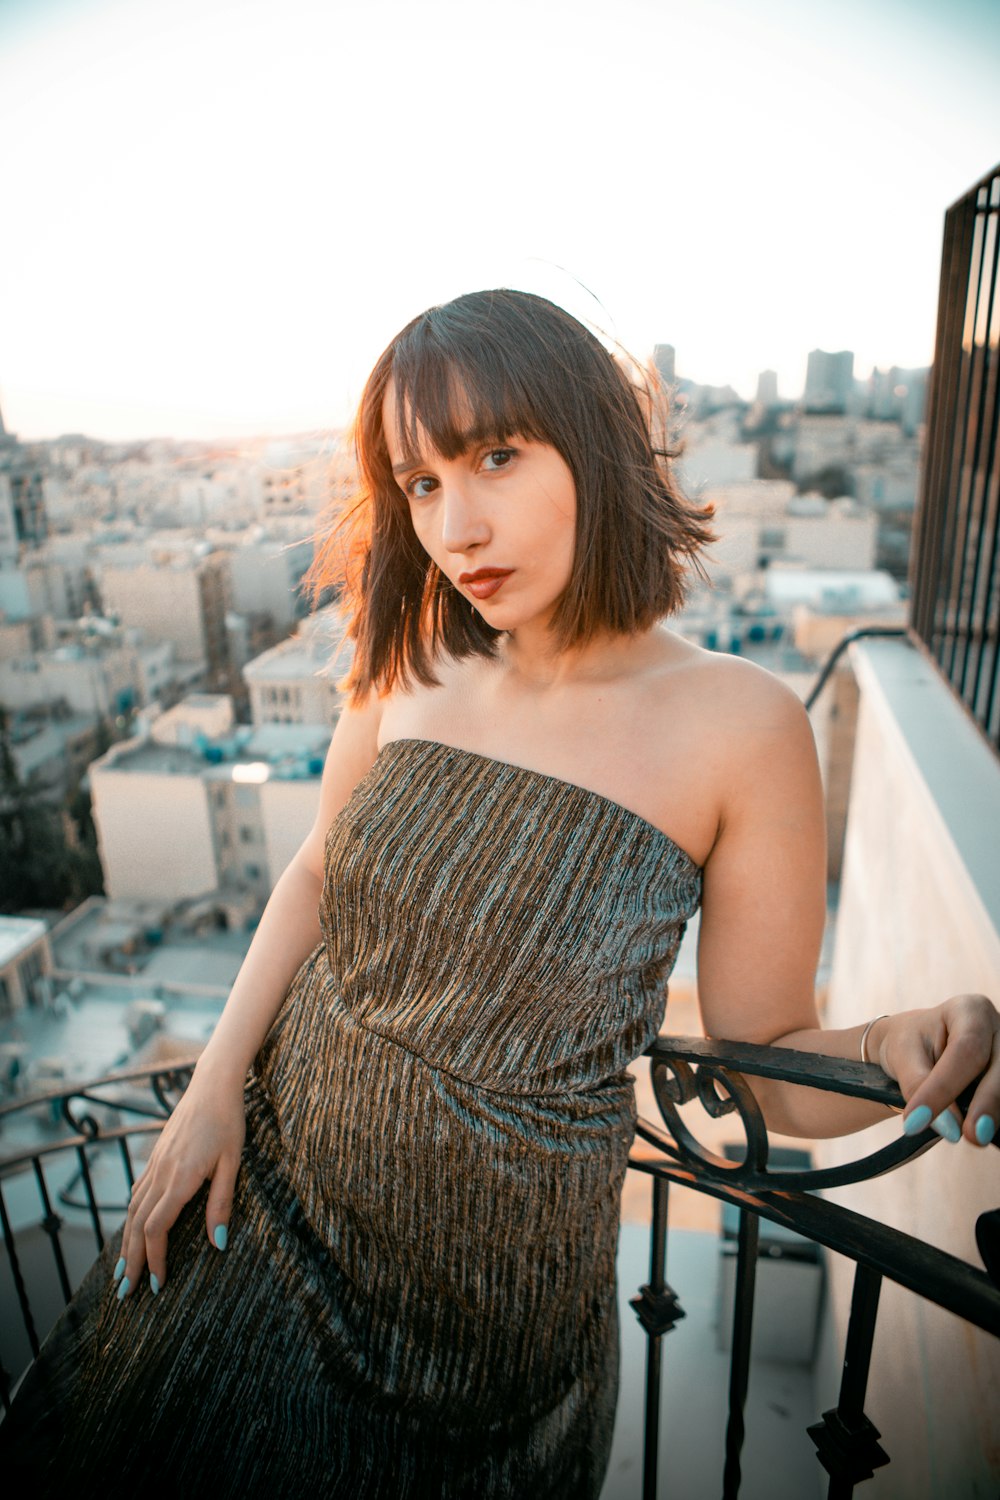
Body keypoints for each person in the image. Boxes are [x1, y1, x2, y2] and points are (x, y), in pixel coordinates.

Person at [2, 289, 998, 1498]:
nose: (456, 526)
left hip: (490, 1317)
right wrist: (212, 1089)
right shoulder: (412, 653)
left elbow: (763, 1057)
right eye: (420, 484)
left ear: (591, 448)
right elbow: (319, 868)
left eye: (495, 458)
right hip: (269, 1201)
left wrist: (899, 1042)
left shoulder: (740, 724)